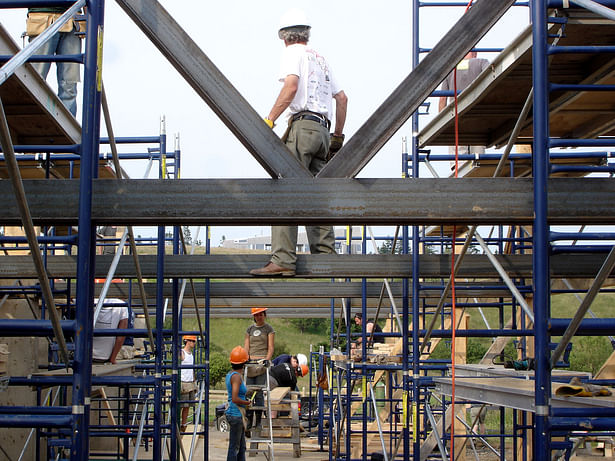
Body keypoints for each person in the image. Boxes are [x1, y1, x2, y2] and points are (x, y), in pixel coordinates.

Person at [250, 8, 348, 277]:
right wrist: (337, 137)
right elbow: (342, 99)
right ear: (307, 33)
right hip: (323, 132)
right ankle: (326, 257)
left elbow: (291, 86)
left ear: (284, 37)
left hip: (302, 127)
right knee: (318, 196)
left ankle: (282, 259)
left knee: (286, 189)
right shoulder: (321, 59)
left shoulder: (292, 53)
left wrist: (269, 120)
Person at [25, 6, 83, 116]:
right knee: (35, 80)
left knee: (69, 85)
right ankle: (32, 123)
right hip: (42, 17)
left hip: (71, 19)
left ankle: (66, 129)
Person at [438, 51, 490, 167]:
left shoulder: (450, 70)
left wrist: (442, 125)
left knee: (459, 163)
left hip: (456, 119)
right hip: (477, 118)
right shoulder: (482, 63)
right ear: (475, 53)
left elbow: (442, 100)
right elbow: (491, 80)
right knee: (478, 160)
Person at [244, 307, 275, 430]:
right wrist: (245, 358)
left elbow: (271, 346)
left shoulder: (268, 329)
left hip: (262, 361)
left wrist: (267, 359)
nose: (259, 317)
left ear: (264, 315)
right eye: (256, 315)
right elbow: (246, 345)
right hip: (251, 362)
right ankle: (248, 420)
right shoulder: (250, 329)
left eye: (261, 314)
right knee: (248, 392)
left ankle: (258, 422)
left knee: (259, 392)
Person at [226, 346, 251, 461]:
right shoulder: (236, 377)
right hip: (236, 414)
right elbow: (235, 398)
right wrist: (246, 402)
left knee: (241, 447)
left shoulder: (230, 374)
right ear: (244, 363)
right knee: (234, 447)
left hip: (235, 414)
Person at [92, 298, 129, 364]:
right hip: (104, 357)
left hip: (83, 355)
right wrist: (113, 358)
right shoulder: (121, 305)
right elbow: (121, 336)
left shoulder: (84, 299)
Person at [180, 335, 198, 433]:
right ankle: (178, 424)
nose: (194, 343)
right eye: (193, 341)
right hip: (183, 383)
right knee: (181, 405)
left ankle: (184, 424)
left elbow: (192, 369)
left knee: (187, 406)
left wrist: (194, 380)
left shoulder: (191, 355)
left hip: (190, 383)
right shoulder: (182, 353)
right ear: (187, 341)